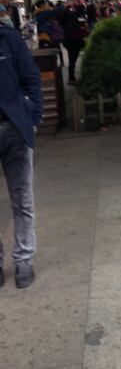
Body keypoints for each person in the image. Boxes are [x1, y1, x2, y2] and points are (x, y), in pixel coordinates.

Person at [0, 20, 43, 289]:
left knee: (22, 199)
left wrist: (33, 117)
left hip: (14, 128)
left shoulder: (9, 38)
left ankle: (23, 260)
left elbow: (31, 78)